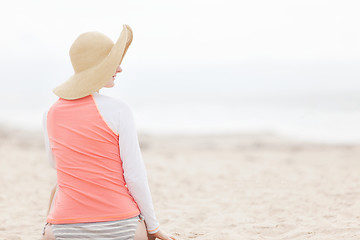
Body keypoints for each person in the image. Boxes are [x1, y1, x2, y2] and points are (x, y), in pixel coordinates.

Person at [41, 24, 176, 240]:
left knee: (57, 187)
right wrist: (154, 227)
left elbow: (56, 164)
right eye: (113, 62)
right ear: (99, 66)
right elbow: (135, 176)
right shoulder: (119, 110)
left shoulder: (50, 114)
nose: (120, 68)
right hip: (122, 226)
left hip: (63, 229)